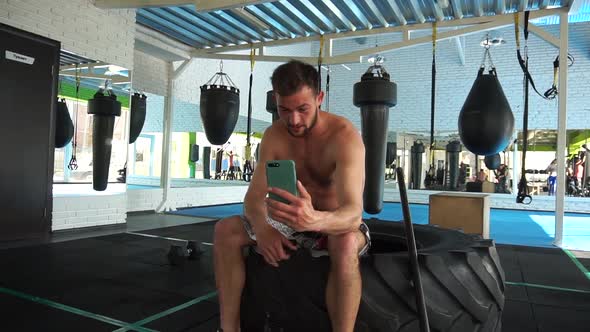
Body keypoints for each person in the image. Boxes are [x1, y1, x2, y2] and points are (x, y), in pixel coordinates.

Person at [213, 60, 369, 332]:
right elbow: (253, 198)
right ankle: (229, 329)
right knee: (225, 230)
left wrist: (314, 220)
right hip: (289, 223)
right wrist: (263, 229)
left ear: (319, 98)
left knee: (344, 245)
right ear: (276, 100)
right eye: (284, 110)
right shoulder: (274, 135)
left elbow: (353, 214)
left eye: (303, 109)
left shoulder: (344, 137)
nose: (293, 120)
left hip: (332, 224)